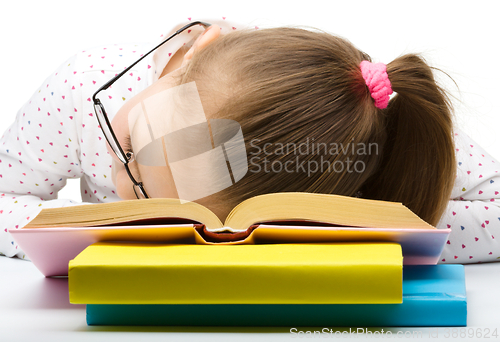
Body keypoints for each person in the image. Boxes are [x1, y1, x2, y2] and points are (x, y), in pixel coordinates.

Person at [0, 17, 498, 264]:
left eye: (155, 202)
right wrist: (88, 240)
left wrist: (355, 221)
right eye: (133, 138)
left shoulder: (371, 123)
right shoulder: (85, 88)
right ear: (198, 45)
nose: (124, 176)